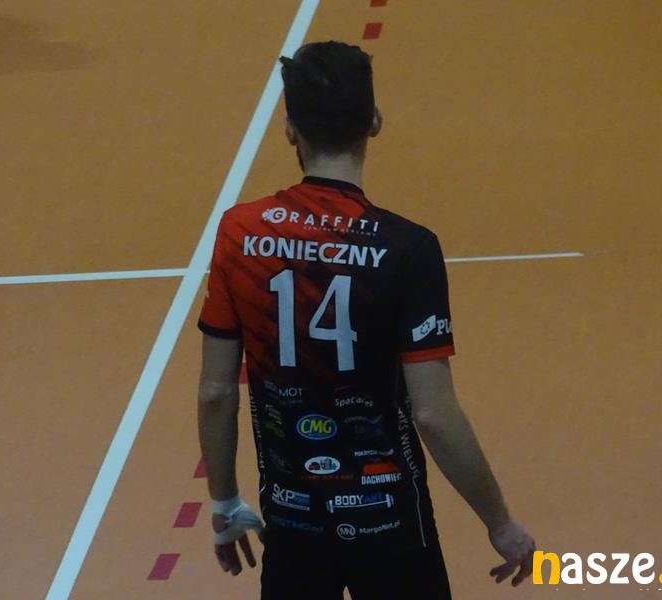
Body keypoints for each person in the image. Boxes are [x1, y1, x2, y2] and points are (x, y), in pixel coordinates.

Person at [197, 40, 535, 600]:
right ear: (374, 122)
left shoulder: (240, 233)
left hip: (294, 523)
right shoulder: (408, 248)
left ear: (290, 129)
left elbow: (215, 393)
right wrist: (499, 522)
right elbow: (433, 414)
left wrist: (226, 501)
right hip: (391, 523)